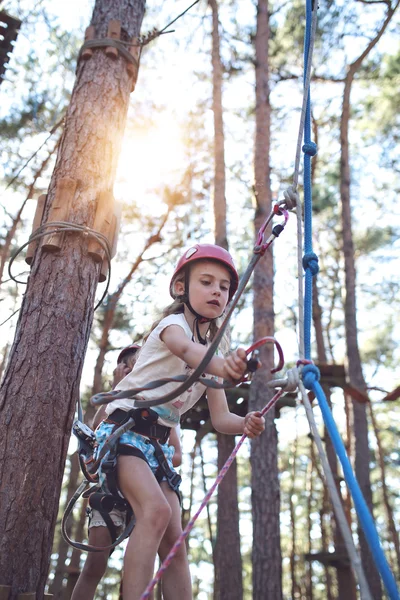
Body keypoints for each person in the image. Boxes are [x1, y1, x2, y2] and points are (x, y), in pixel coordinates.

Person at [94, 244, 266, 600]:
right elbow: (190, 353)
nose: (217, 290)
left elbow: (221, 418)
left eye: (224, 286)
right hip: (125, 430)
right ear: (180, 288)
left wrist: (245, 422)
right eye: (206, 281)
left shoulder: (213, 352)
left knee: (175, 540)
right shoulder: (172, 327)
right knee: (154, 512)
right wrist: (224, 367)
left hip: (155, 445)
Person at [71, 344, 182, 600]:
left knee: (147, 558)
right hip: (111, 491)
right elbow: (99, 436)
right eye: (127, 367)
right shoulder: (114, 404)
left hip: (147, 489)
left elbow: (175, 455)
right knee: (94, 565)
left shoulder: (162, 410)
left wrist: (148, 452)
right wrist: (117, 391)